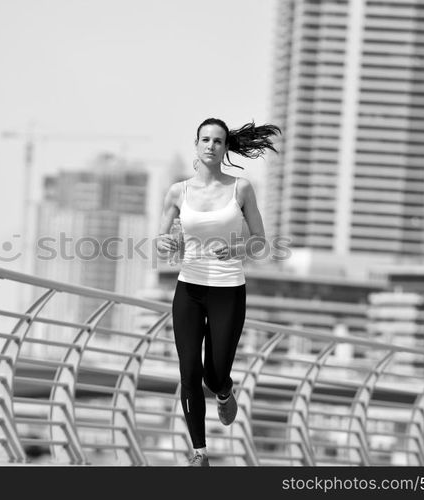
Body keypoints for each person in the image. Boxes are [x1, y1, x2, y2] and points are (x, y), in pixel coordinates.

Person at [156, 118, 280, 466]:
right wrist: (167, 242)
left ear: (226, 148)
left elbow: (260, 241)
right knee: (189, 372)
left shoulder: (241, 188)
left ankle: (224, 391)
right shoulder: (177, 192)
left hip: (228, 290)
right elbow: (162, 241)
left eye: (218, 141)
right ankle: (199, 453)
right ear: (196, 145)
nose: (211, 145)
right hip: (189, 289)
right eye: (205, 140)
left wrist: (238, 249)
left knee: (213, 373)